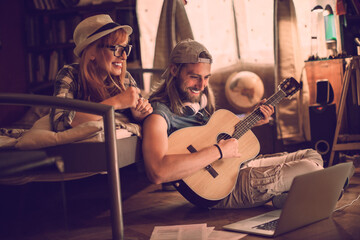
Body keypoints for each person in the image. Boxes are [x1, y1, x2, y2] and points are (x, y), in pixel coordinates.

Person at [142, 39, 324, 209]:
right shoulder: (158, 115)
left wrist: (250, 119)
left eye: (206, 78)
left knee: (313, 155)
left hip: (237, 167)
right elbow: (158, 171)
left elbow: (214, 136)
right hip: (220, 189)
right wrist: (220, 151)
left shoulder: (195, 105)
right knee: (308, 168)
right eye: (194, 77)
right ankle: (309, 191)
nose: (201, 85)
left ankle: (288, 195)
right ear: (174, 70)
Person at [50, 14, 152, 133]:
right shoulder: (70, 74)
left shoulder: (125, 78)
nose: (124, 56)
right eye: (116, 48)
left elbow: (140, 123)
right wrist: (116, 102)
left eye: (125, 49)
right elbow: (59, 122)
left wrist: (139, 114)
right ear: (92, 53)